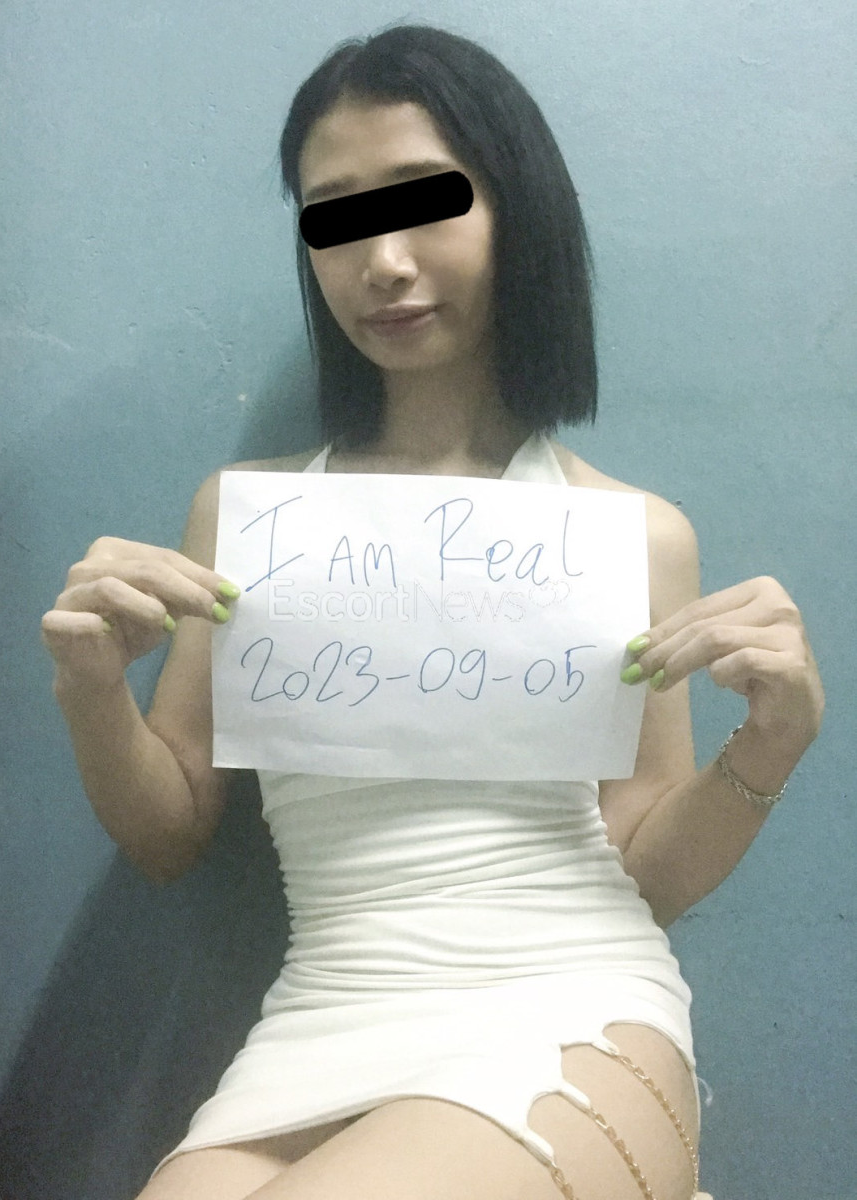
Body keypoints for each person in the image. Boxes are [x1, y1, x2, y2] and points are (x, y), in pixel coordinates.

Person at [41, 23, 823, 1200]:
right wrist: (92, 689)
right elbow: (170, 835)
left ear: (518, 211)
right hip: (318, 1016)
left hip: (566, 1005)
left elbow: (648, 870)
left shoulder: (631, 534)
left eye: (426, 202)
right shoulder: (249, 519)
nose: (384, 260)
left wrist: (771, 744)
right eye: (336, 218)